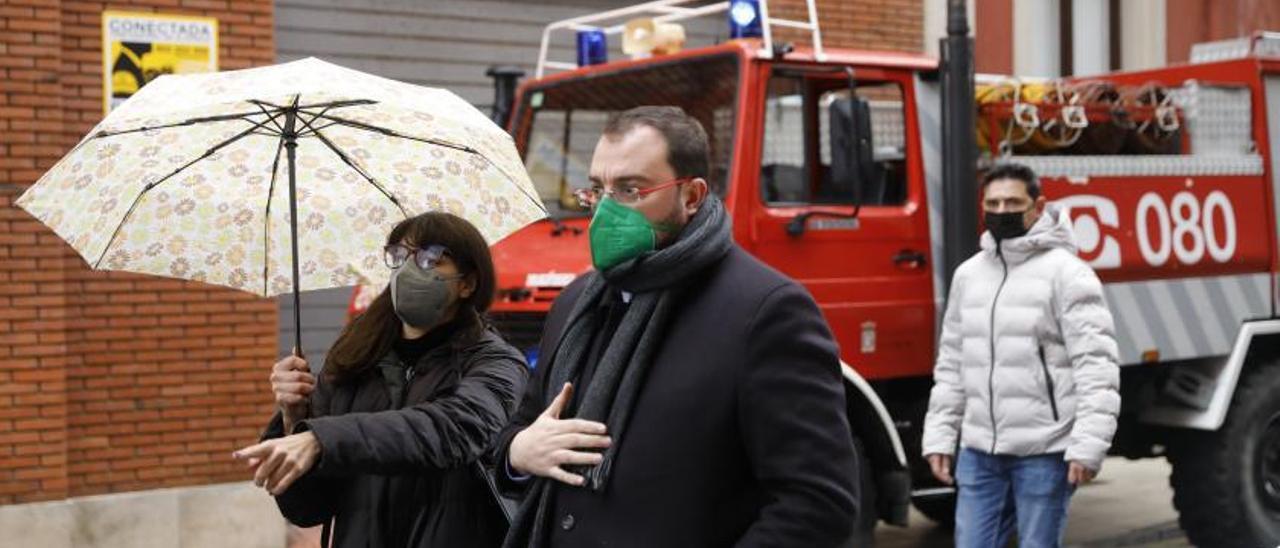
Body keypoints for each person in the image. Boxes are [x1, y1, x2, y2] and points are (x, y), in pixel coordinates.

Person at [493, 106, 859, 548]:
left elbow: (817, 504)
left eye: (630, 189)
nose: (605, 210)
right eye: (595, 189)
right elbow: (521, 428)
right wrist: (518, 454)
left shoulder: (765, 311)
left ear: (691, 196)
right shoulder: (576, 302)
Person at [233, 212, 529, 548]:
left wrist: (321, 440)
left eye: (431, 258)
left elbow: (452, 429)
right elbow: (308, 508)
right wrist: (294, 418)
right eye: (400, 256)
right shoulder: (353, 360)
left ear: (467, 283)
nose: (409, 269)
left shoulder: (495, 362)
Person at [922, 163, 1121, 547]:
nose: (1001, 210)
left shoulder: (1068, 274)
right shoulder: (969, 275)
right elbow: (952, 364)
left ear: (1038, 206)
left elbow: (1096, 367)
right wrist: (940, 436)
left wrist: (1088, 447)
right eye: (993, 203)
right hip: (979, 453)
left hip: (1044, 453)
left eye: (1012, 201)